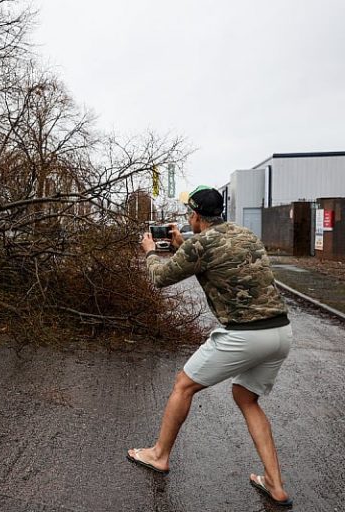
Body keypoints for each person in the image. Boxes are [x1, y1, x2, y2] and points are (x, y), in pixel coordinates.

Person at [126, 185, 293, 507]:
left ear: (195, 216)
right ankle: (275, 483)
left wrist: (149, 250)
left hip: (245, 334)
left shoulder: (199, 245)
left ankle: (159, 455)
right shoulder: (245, 235)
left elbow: (160, 277)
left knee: (183, 385)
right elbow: (220, 256)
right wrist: (184, 245)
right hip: (281, 332)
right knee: (246, 397)